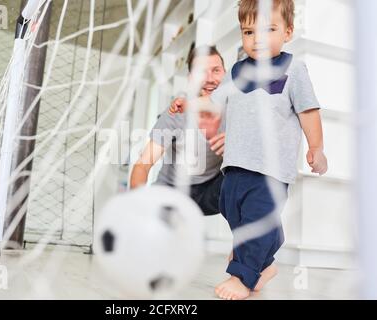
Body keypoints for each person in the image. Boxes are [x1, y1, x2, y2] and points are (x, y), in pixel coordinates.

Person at [169, 0, 328, 300]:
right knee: (234, 212)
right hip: (235, 165)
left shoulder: (294, 70)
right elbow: (214, 103)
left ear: (288, 31)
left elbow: (309, 111)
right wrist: (189, 102)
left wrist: (316, 148)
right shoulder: (237, 72)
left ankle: (242, 276)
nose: (258, 39)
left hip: (270, 169)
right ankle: (264, 262)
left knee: (255, 220)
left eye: (269, 29)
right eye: (249, 31)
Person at [130, 45, 227, 216]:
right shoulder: (176, 113)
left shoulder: (236, 106)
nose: (210, 79)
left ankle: (250, 238)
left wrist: (235, 142)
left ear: (225, 74)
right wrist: (136, 202)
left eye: (216, 70)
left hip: (212, 188)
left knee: (245, 171)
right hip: (173, 189)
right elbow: (142, 165)